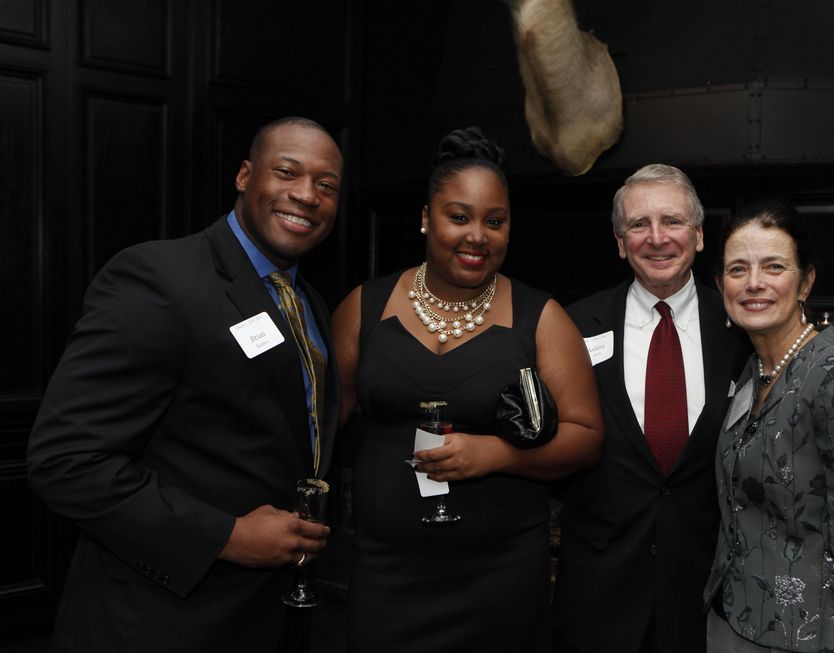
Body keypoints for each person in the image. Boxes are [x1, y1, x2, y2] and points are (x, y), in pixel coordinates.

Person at [27, 116, 343, 652]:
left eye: (327, 185)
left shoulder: (308, 302)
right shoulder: (160, 277)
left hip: (264, 614)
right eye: (287, 172)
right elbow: (65, 461)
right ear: (245, 176)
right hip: (161, 620)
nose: (306, 195)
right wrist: (228, 537)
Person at [330, 126, 603, 653]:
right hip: (387, 574)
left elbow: (586, 436)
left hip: (499, 578)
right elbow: (325, 423)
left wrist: (495, 454)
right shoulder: (364, 307)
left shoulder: (541, 318)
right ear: (426, 218)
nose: (478, 235)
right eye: (459, 217)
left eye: (494, 222)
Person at [555, 164, 752, 653]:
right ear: (621, 242)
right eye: (639, 225)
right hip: (598, 588)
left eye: (673, 221)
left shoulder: (742, 331)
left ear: (700, 236)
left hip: (705, 589)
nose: (657, 238)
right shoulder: (571, 326)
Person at [703, 199, 834, 652]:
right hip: (732, 620)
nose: (754, 283)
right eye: (738, 269)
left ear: (806, 281)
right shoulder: (753, 372)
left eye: (773, 266)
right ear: (721, 285)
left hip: (807, 637)